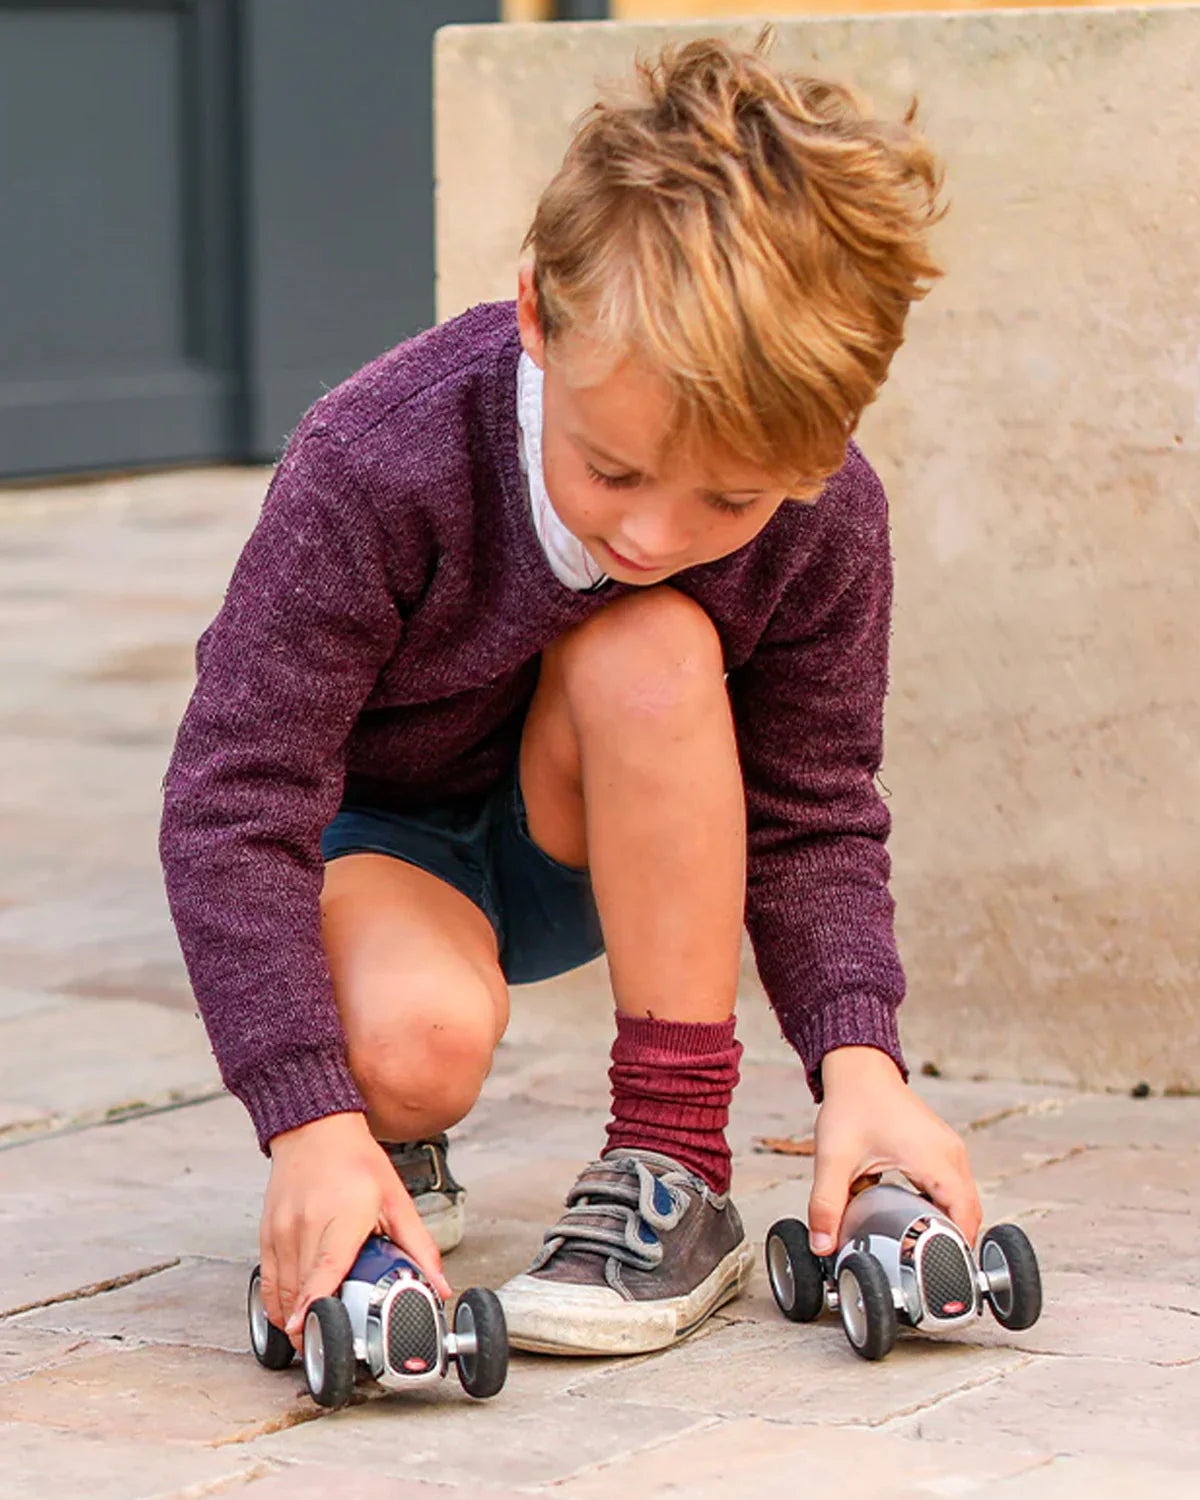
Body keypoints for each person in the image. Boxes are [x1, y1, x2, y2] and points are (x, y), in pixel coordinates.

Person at [160, 33, 981, 1359]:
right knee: (413, 1045)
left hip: (605, 835)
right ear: (539, 315)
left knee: (646, 637)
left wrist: (864, 1067)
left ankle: (672, 1166)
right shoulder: (378, 459)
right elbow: (231, 801)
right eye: (614, 470)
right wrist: (308, 1120)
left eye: (728, 500)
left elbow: (815, 809)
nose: (654, 533)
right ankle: (379, 1151)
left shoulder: (825, 515)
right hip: (387, 846)